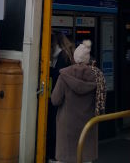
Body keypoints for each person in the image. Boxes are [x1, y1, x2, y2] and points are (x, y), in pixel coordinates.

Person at [51, 40, 106, 163]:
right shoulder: (97, 76)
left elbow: (55, 100)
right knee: (85, 158)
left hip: (67, 127)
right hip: (87, 126)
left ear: (74, 57)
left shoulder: (64, 75)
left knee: (66, 159)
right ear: (87, 59)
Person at [47, 32, 75, 163]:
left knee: (55, 128)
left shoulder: (62, 57)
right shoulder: (68, 54)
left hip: (59, 98)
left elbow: (58, 76)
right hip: (66, 98)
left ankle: (55, 156)